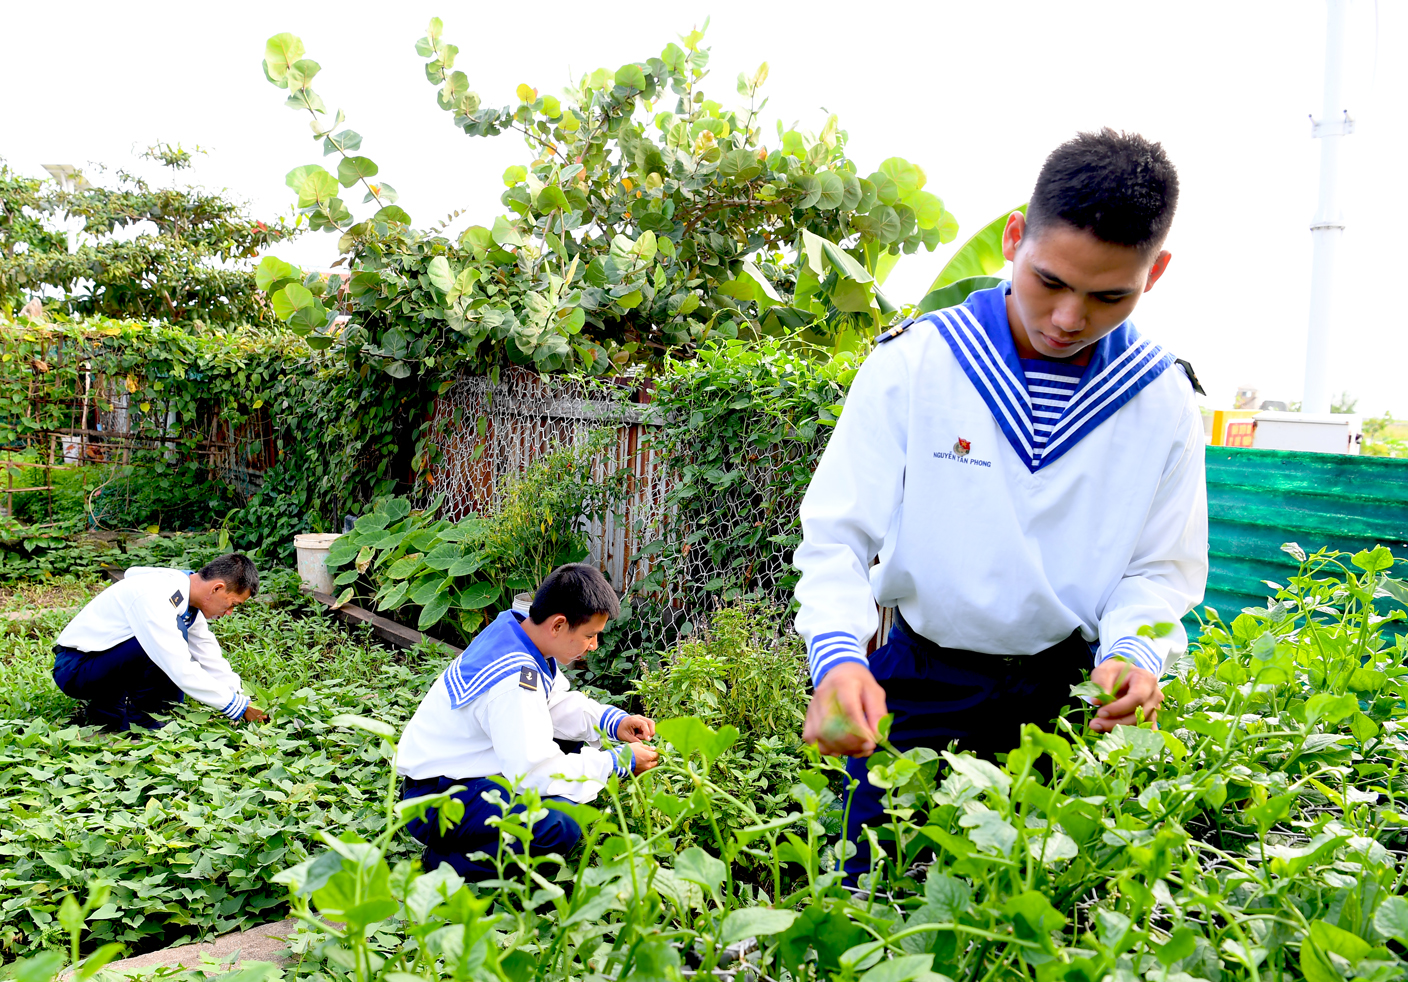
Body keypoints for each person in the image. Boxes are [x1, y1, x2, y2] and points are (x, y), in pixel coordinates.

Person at [793, 129, 1208, 876]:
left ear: (1157, 273)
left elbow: (1160, 568)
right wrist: (837, 659)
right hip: (919, 687)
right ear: (1015, 238)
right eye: (1049, 281)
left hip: (1067, 703)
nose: (1069, 318)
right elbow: (837, 537)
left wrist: (1134, 656)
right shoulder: (920, 362)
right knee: (874, 895)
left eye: (1110, 296)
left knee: (1038, 914)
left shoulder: (1162, 399)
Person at [396, 563, 658, 879]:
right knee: (558, 824)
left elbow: (552, 704)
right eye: (589, 635)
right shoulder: (515, 679)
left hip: (455, 775)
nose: (593, 645)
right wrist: (618, 763)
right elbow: (533, 773)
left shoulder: (518, 632)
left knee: (571, 748)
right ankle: (448, 863)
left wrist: (613, 722)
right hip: (435, 801)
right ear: (558, 624)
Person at [53, 554, 267, 731]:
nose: (229, 612)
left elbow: (210, 658)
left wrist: (243, 699)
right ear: (217, 588)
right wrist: (236, 707)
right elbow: (178, 666)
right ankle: (144, 723)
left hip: (102, 664)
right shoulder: (156, 595)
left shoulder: (186, 603)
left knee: (173, 640)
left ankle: (108, 708)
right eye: (232, 604)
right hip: (75, 669)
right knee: (165, 645)